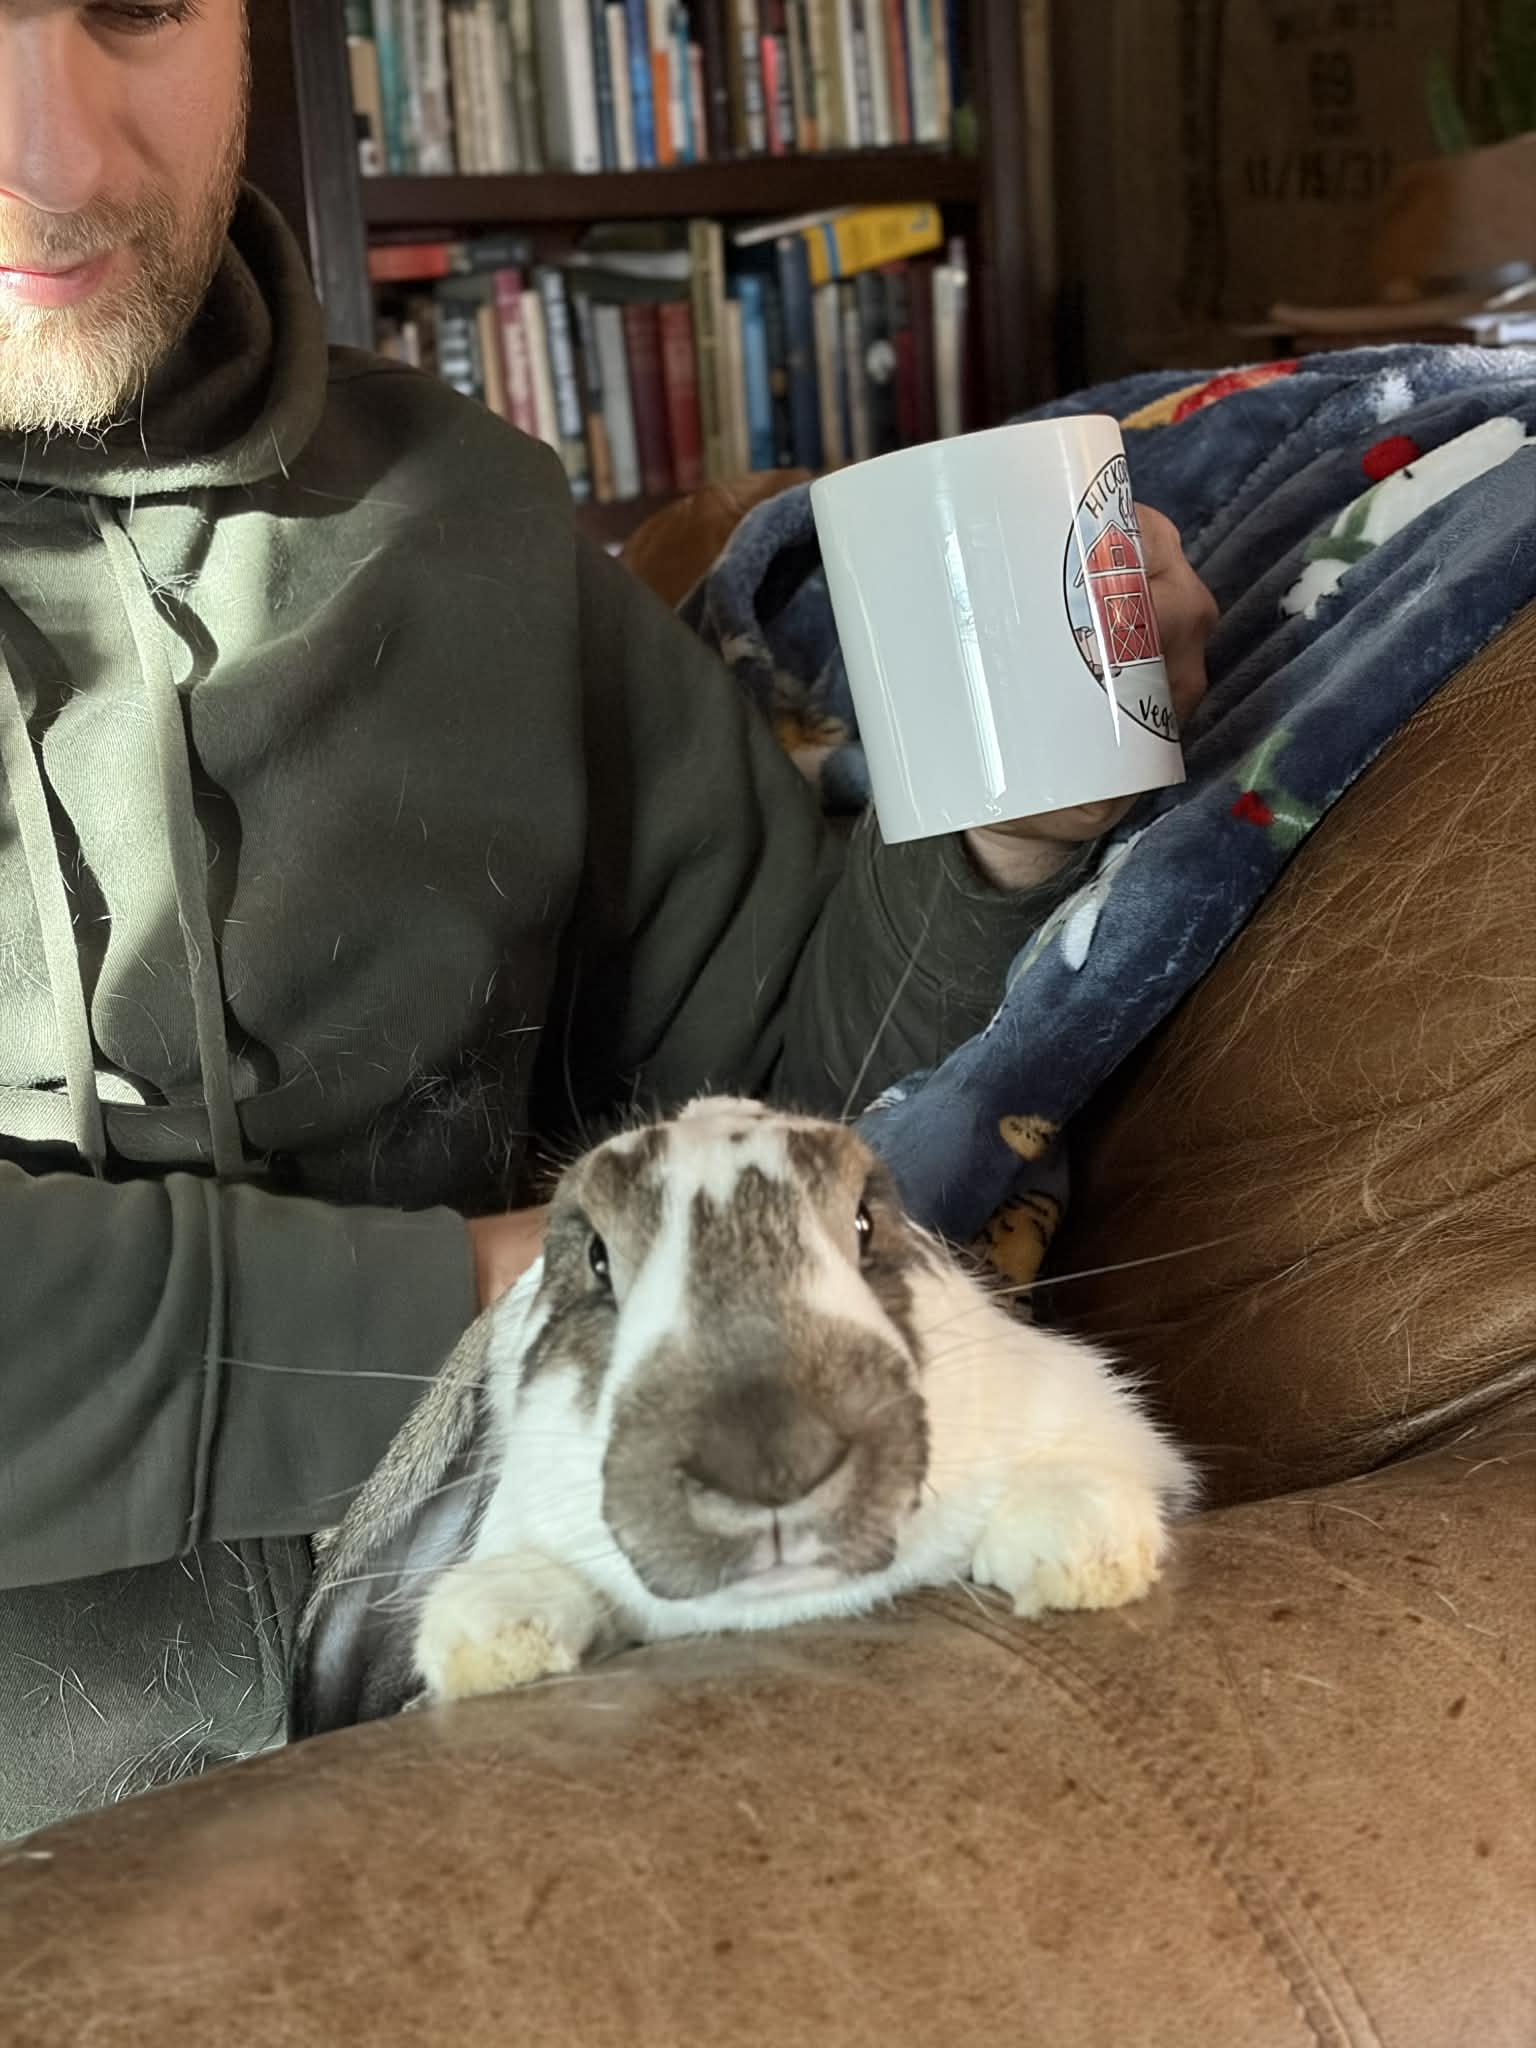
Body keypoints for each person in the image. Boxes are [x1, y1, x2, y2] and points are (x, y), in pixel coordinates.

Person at [0, 0, 1216, 1834]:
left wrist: (1011, 834)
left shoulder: (474, 514)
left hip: (588, 1764)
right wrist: (600, 1305)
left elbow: (794, 1101)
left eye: (143, 5)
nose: (59, 157)